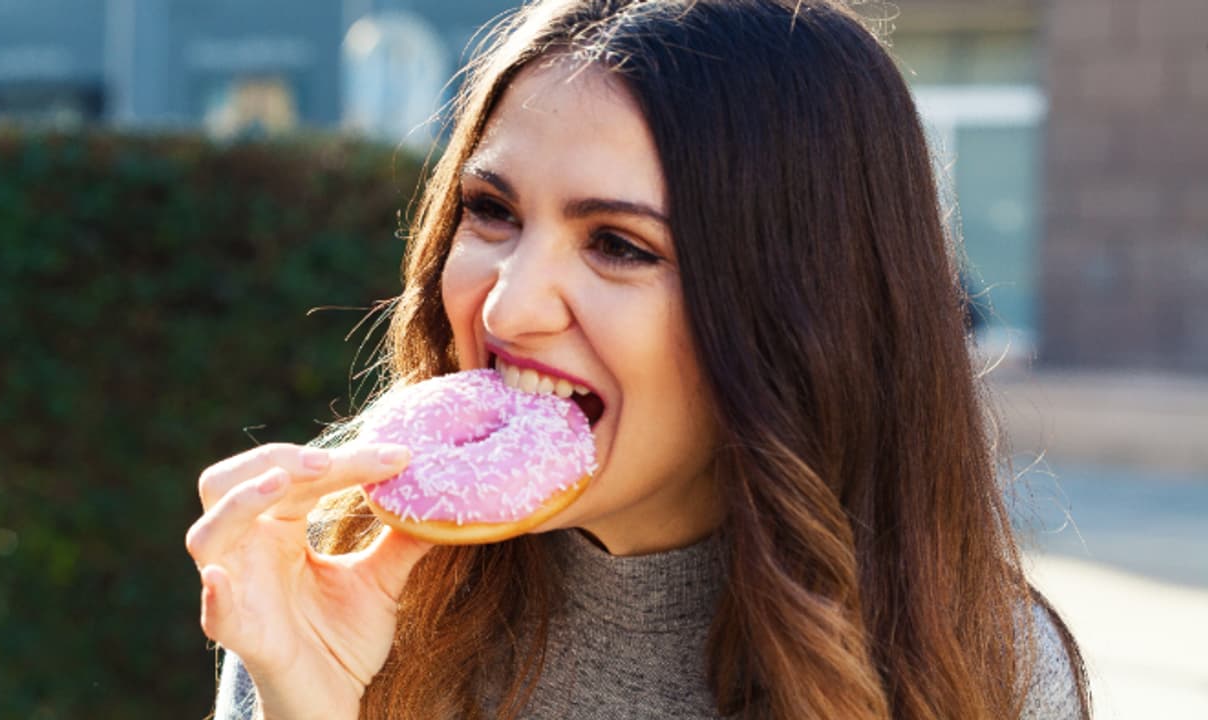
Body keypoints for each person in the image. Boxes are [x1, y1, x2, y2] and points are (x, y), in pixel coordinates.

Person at [185, 1, 1092, 718]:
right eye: (492, 212)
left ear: (796, 316)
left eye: (619, 245)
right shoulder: (337, 589)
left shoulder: (981, 666)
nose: (507, 304)